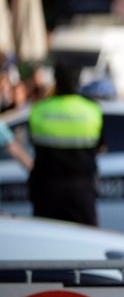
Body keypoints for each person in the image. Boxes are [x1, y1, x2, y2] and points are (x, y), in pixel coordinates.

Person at [27, 61, 104, 226]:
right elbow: (101, 147)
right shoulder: (92, 110)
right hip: (81, 191)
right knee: (84, 242)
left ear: (56, 80)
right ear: (78, 81)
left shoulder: (39, 110)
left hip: (47, 189)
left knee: (47, 242)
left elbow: (33, 142)